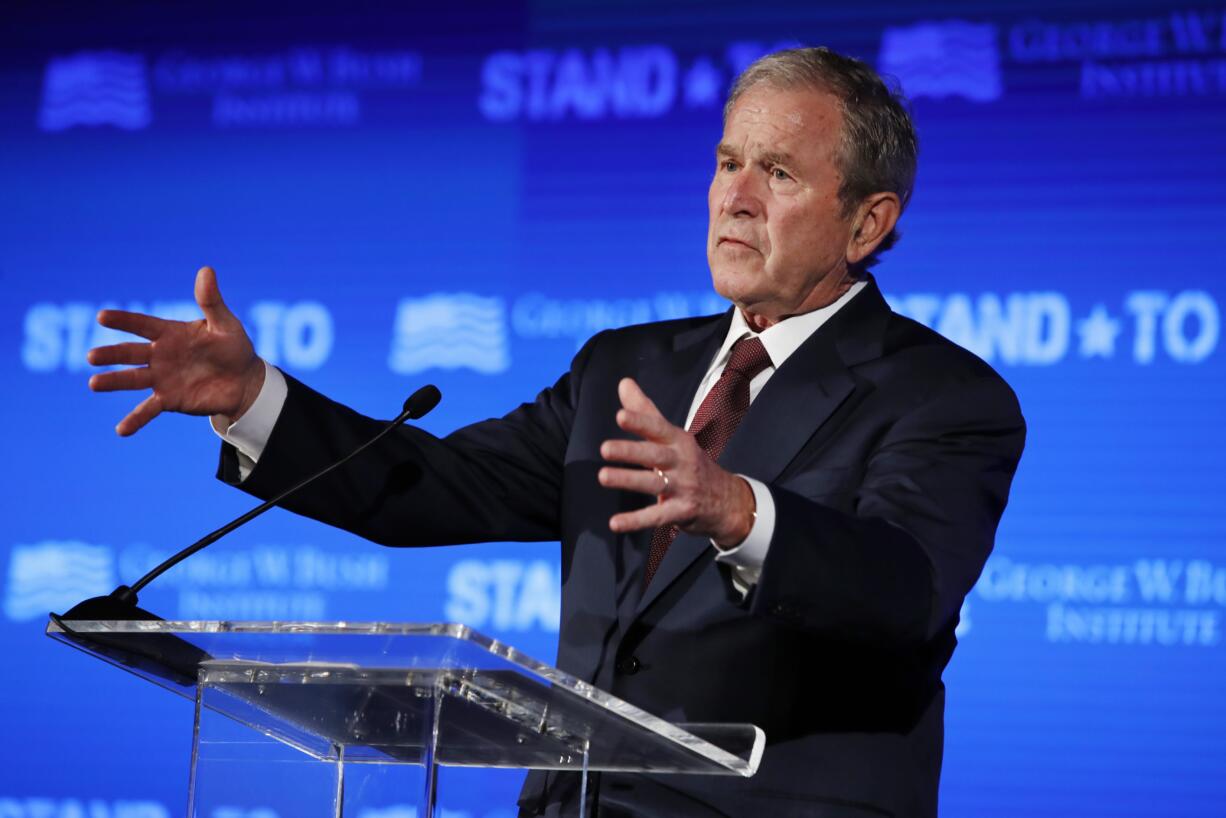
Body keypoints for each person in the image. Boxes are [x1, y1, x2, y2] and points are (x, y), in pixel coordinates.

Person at [87, 48, 1025, 818]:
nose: (735, 196)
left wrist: (738, 510)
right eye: (727, 160)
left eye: (777, 173)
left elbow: (906, 590)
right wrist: (254, 396)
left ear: (868, 222)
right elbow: (428, 483)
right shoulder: (630, 366)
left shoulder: (944, 397)